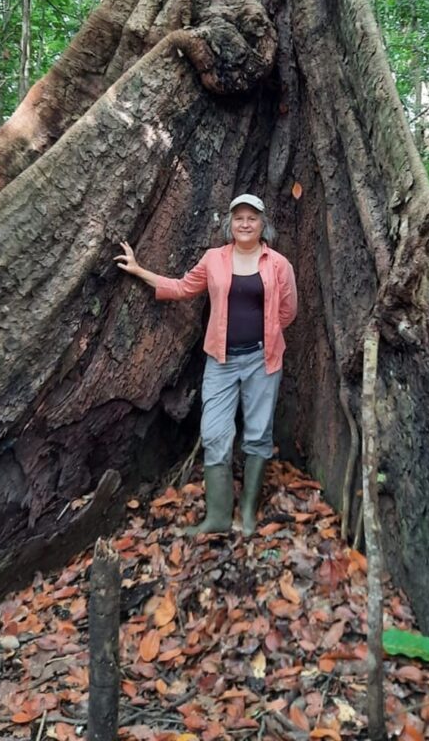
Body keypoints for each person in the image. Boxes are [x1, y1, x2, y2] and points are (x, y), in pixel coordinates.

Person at [115, 194, 297, 537]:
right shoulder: (214, 259)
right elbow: (184, 288)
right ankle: (217, 517)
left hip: (263, 358)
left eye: (252, 218)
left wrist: (266, 332)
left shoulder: (278, 265)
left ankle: (247, 513)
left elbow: (288, 311)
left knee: (259, 434)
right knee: (214, 433)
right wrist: (139, 271)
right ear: (229, 223)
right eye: (239, 217)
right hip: (221, 360)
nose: (245, 223)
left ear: (263, 224)